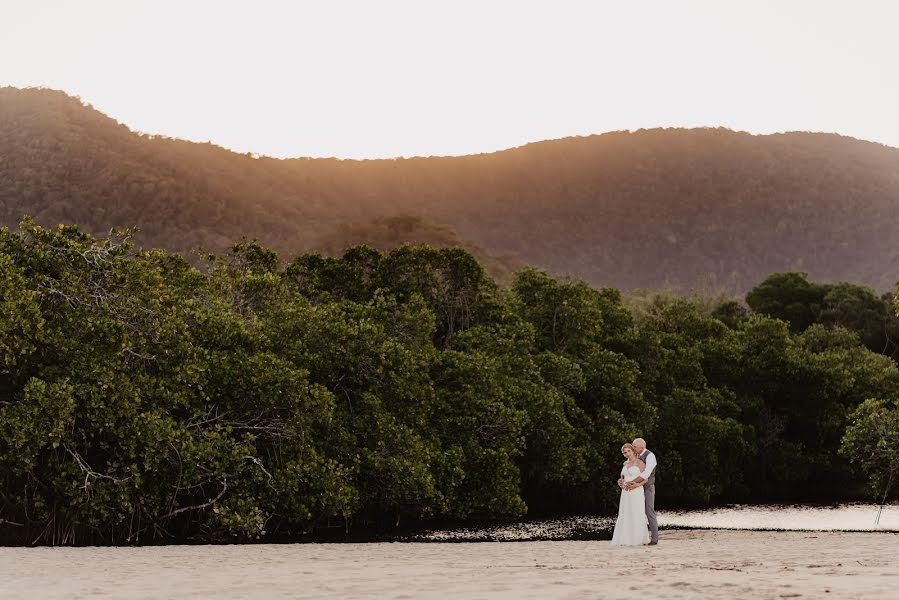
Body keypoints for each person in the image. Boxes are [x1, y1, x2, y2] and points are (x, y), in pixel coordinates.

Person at [610, 443, 649, 545]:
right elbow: (622, 478)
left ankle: (637, 538)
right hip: (626, 493)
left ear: (633, 451)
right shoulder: (624, 464)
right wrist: (620, 482)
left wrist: (637, 484)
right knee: (625, 513)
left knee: (636, 512)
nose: (627, 454)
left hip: (636, 491)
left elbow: (646, 479)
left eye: (628, 451)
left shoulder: (640, 463)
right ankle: (625, 539)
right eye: (624, 452)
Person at [623, 437, 658, 545]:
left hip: (647, 487)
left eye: (634, 446)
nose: (632, 448)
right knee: (635, 512)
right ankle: (637, 537)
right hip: (635, 490)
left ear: (642, 447)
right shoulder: (634, 456)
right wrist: (623, 481)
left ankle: (654, 539)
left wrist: (631, 482)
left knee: (649, 511)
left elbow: (646, 474)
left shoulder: (650, 456)